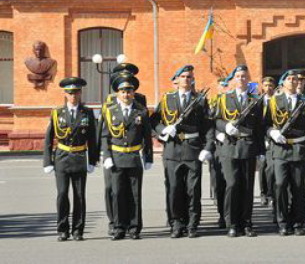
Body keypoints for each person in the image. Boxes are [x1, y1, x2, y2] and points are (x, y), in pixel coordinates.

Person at [151, 65, 213, 238]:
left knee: (193, 190)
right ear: (176, 80)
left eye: (189, 77)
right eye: (183, 76)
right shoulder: (167, 99)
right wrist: (164, 129)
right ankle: (176, 223)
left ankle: (192, 224)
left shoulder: (200, 100)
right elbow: (154, 120)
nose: (187, 79)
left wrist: (207, 147)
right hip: (172, 149)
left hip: (193, 148)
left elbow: (207, 126)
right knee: (174, 189)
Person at [43, 77, 98, 241]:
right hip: (62, 157)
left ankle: (78, 230)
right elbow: (48, 138)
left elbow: (92, 139)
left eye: (76, 93)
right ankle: (62, 229)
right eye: (69, 93)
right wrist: (47, 161)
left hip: (80, 157)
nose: (73, 96)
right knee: (62, 194)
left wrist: (92, 160)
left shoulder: (87, 113)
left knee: (79, 196)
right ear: (65, 94)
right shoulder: (57, 113)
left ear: (80, 93)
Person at [265, 69, 305, 236]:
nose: (293, 82)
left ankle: (297, 222)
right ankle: (282, 221)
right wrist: (272, 132)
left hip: (298, 150)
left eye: (296, 80)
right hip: (280, 150)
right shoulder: (274, 102)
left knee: (298, 188)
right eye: (289, 79)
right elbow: (265, 124)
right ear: (283, 83)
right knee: (280, 185)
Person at [214, 64, 265, 237]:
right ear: (233, 79)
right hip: (229, 147)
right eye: (238, 76)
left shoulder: (255, 101)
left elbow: (259, 127)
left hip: (248, 146)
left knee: (247, 187)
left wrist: (261, 153)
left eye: (244, 76)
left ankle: (247, 223)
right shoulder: (223, 98)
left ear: (248, 79)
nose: (241, 79)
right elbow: (215, 120)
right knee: (232, 184)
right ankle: (232, 223)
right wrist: (225, 126)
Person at [101, 75, 153, 240]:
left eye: (129, 91)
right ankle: (118, 227)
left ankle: (134, 227)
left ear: (133, 93)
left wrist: (148, 157)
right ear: (118, 93)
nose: (126, 94)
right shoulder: (110, 112)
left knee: (134, 194)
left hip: (133, 157)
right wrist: (106, 156)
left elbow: (147, 137)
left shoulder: (141, 112)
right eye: (123, 91)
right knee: (117, 194)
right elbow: (104, 136)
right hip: (116, 157)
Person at [208, 77, 229, 228]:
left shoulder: (231, 100)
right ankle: (222, 214)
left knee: (231, 182)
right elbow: (209, 123)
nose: (225, 87)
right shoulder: (214, 102)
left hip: (232, 146)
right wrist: (215, 134)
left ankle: (231, 214)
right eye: (222, 85)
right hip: (217, 148)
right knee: (219, 182)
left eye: (227, 85)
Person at [258, 76, 276, 207]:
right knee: (262, 166)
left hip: (274, 137)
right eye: (265, 85)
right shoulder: (258, 101)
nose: (268, 88)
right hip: (261, 139)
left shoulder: (277, 100)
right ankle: (264, 193)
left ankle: (271, 193)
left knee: (272, 168)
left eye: (270, 85)